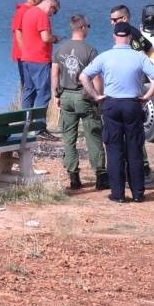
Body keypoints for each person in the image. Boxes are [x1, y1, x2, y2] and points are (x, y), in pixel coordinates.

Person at [80, 22, 154, 203]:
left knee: (114, 149)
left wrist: (96, 96)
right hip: (133, 104)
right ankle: (138, 194)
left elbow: (84, 76)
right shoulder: (138, 57)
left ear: (114, 36)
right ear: (130, 38)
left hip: (112, 104)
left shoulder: (105, 57)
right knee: (135, 149)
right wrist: (147, 96)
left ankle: (117, 194)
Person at [53, 15, 105, 190]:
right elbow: (96, 77)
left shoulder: (60, 49)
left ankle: (74, 177)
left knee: (68, 138)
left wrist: (56, 95)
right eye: (88, 26)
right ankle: (100, 176)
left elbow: (55, 74)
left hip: (66, 96)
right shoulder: (90, 50)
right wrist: (99, 97)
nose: (89, 29)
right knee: (94, 136)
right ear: (82, 28)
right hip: (84, 97)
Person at [110, 4, 154, 189]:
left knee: (134, 135)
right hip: (132, 89)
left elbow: (144, 52)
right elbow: (150, 48)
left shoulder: (133, 35)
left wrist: (140, 74)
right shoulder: (130, 33)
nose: (111, 23)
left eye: (115, 20)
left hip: (133, 90)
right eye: (111, 20)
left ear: (124, 19)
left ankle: (143, 171)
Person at [17, 0, 59, 110]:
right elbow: (45, 38)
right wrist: (55, 38)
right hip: (40, 60)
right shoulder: (42, 15)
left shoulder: (28, 12)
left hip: (26, 58)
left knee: (29, 91)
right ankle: (39, 127)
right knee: (44, 93)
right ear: (51, 6)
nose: (52, 15)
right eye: (54, 12)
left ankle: (26, 122)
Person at [10, 0, 46, 105]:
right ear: (34, 0)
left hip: (32, 55)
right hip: (25, 55)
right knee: (28, 87)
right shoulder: (22, 11)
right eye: (40, 1)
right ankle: (26, 115)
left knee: (35, 87)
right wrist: (25, 52)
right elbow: (17, 33)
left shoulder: (33, 11)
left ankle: (31, 113)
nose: (42, 3)